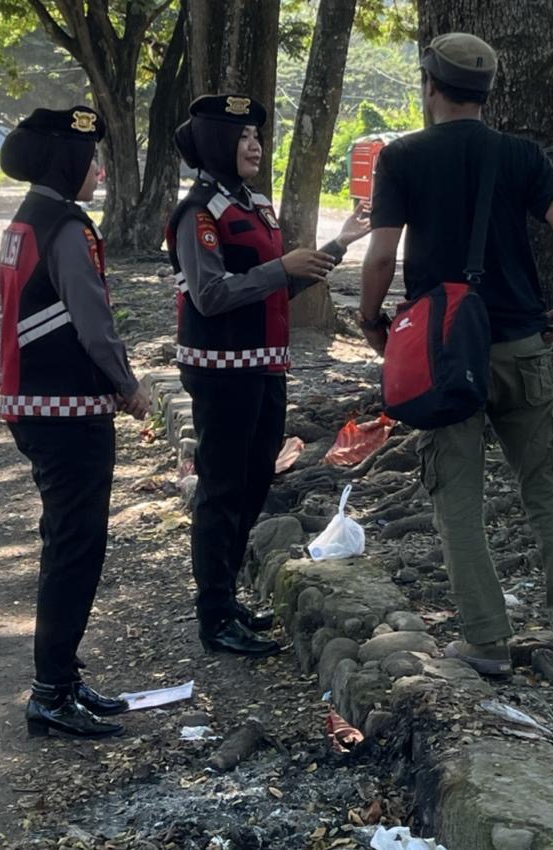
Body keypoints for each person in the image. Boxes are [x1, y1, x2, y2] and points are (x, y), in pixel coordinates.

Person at [359, 33, 553, 674]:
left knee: (456, 496)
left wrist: (371, 321)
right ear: (487, 92)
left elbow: (381, 254)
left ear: (430, 85)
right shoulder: (522, 156)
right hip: (522, 345)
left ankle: (484, 641)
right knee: (549, 488)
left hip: (444, 353)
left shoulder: (402, 158)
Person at [165, 93, 370, 656]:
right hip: (220, 371)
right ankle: (213, 615)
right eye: (242, 136)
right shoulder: (199, 213)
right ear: (215, 143)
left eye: (257, 135)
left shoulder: (254, 204)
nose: (254, 145)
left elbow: (277, 285)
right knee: (222, 491)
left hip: (264, 365)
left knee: (254, 483)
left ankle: (228, 599)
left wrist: (338, 244)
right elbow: (209, 295)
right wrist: (280, 267)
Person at [0, 106, 151, 737]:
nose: (99, 170)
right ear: (67, 162)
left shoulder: (26, 219)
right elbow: (93, 321)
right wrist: (128, 385)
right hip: (67, 410)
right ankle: (51, 693)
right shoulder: (65, 226)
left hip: (35, 405)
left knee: (66, 544)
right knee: (75, 550)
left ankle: (62, 676)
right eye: (91, 158)